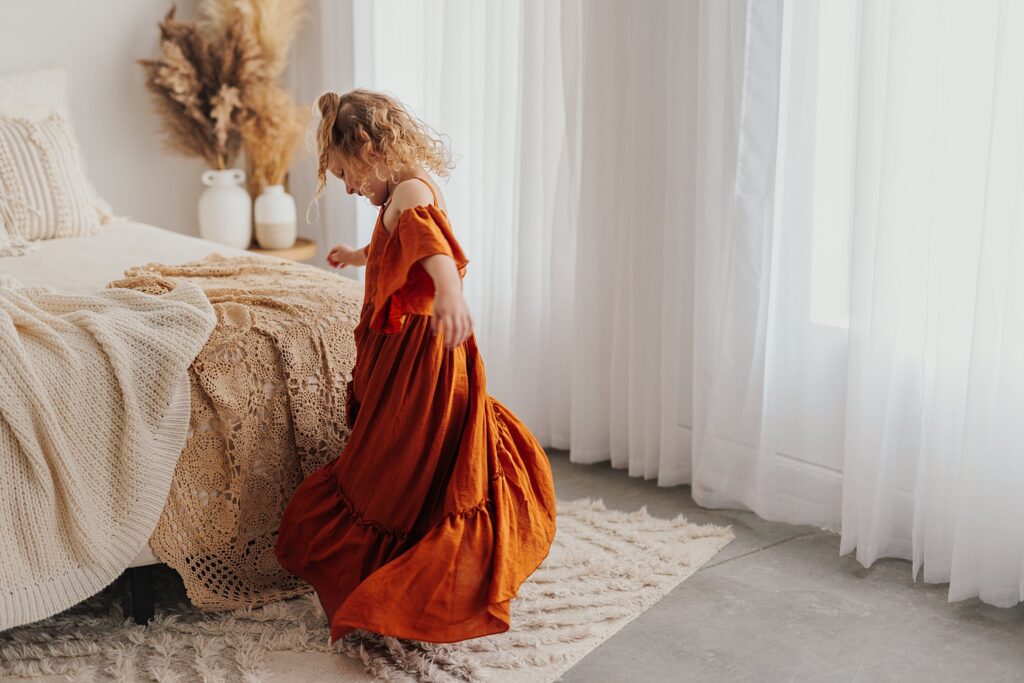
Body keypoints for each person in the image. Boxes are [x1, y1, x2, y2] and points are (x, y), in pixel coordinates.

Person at [274, 89, 557, 645]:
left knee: (399, 458)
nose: (350, 188)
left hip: (423, 356)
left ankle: (409, 588)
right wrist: (360, 256)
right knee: (418, 458)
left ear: (370, 148)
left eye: (346, 174)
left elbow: (433, 251)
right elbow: (397, 242)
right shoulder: (400, 190)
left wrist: (450, 295)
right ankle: (397, 571)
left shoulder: (409, 191)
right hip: (404, 351)